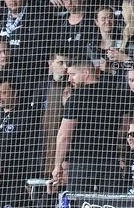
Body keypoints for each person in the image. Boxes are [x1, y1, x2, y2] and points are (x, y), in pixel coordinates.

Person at [49, 58, 124, 195]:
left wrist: (58, 166)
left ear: (86, 72)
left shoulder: (76, 99)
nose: (69, 79)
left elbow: (64, 136)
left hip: (82, 165)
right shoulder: (115, 93)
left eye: (73, 74)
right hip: (110, 163)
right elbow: (125, 127)